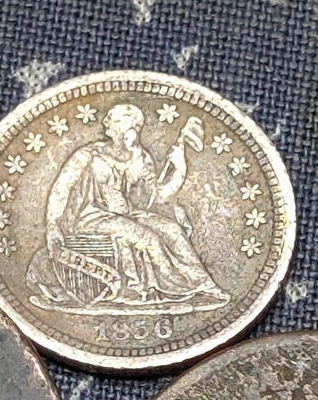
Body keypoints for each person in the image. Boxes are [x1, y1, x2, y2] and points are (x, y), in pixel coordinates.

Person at [26, 102, 230, 311]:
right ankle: (160, 290)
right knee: (147, 238)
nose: (107, 124)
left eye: (115, 121)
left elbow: (156, 197)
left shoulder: (139, 157)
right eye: (112, 121)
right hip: (91, 218)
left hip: (127, 214)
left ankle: (205, 286)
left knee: (173, 230)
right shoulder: (89, 154)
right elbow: (62, 188)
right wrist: (52, 225)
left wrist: (179, 168)